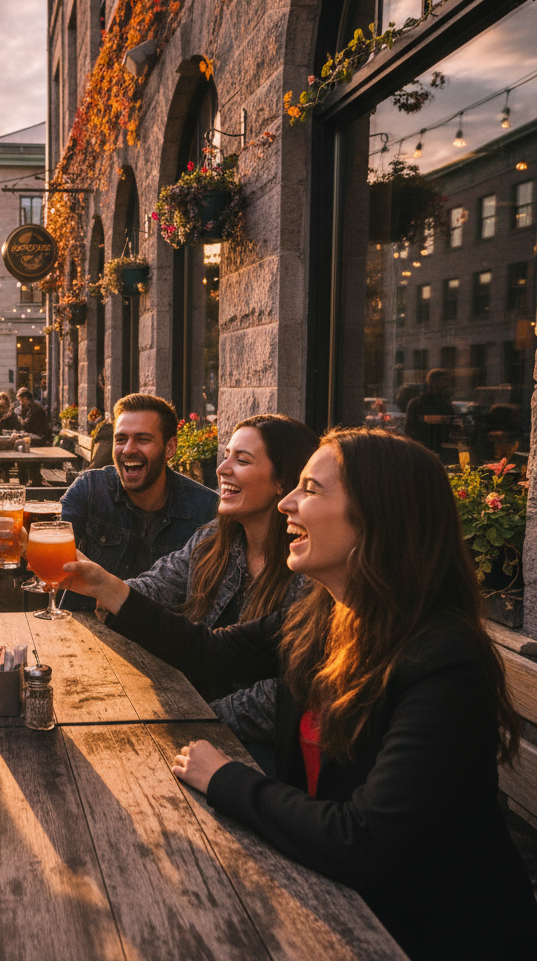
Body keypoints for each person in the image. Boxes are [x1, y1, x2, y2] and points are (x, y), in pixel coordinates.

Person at [65, 428, 537, 961]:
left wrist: (225, 777)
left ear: (376, 516)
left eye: (310, 490)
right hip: (327, 893)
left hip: (424, 932)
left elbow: (366, 843)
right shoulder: (323, 613)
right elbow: (211, 654)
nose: (289, 501)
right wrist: (106, 585)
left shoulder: (444, 662)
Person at [72, 414, 319, 757]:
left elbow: (283, 696)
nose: (222, 468)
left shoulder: (309, 568)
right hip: (190, 714)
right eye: (227, 455)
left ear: (283, 482)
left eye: (242, 460)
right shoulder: (213, 540)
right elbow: (155, 587)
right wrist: (100, 586)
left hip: (258, 748)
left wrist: (198, 722)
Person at [59, 393, 219, 610]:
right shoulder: (90, 488)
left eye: (142, 439)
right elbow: (56, 544)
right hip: (82, 634)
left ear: (170, 448)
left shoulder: (206, 508)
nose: (128, 449)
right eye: (121, 439)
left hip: (162, 641)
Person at [405, 368, 456, 457]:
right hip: (423, 451)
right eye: (444, 380)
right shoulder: (417, 404)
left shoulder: (446, 404)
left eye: (448, 381)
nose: (448, 384)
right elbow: (409, 429)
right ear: (433, 383)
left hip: (440, 451)